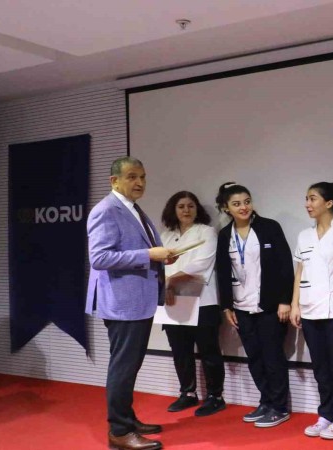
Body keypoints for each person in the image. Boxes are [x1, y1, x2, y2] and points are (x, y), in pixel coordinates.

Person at [85, 156, 175, 450]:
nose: (140, 182)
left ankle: (127, 419)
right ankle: (119, 431)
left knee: (130, 365)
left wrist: (161, 257)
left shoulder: (132, 208)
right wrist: (149, 255)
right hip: (123, 303)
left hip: (138, 301)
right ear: (114, 181)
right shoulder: (105, 210)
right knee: (123, 367)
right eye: (132, 177)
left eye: (143, 177)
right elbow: (100, 258)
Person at [214, 182, 294, 428]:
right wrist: (226, 306)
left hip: (270, 305)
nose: (244, 207)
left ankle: (279, 407)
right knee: (255, 357)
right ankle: (266, 401)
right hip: (241, 305)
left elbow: (285, 266)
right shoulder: (225, 235)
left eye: (247, 202)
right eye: (236, 204)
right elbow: (222, 271)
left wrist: (285, 300)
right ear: (226, 208)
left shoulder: (269, 227)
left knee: (272, 356)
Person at [290, 181, 333, 440]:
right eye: (306, 199)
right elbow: (300, 271)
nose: (307, 204)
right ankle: (326, 413)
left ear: (329, 203)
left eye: (312, 199)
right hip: (310, 310)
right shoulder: (304, 236)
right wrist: (295, 304)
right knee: (320, 367)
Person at [159, 191, 226, 416]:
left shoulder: (206, 232)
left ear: (197, 209)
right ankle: (187, 393)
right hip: (173, 299)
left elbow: (201, 264)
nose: (186, 210)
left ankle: (215, 396)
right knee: (180, 350)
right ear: (173, 210)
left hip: (202, 299)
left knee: (209, 350)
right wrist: (166, 285)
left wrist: (170, 281)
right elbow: (159, 266)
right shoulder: (166, 236)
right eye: (181, 206)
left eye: (190, 205)